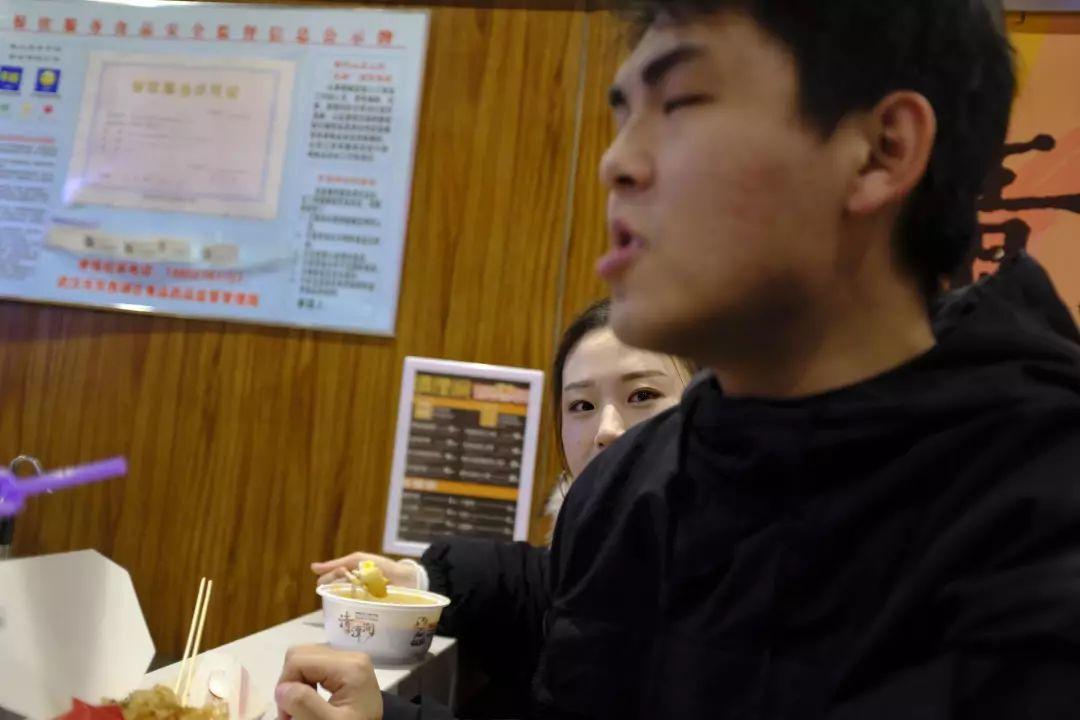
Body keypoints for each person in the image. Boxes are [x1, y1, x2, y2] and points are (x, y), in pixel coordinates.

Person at [278, 1, 1080, 717]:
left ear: (881, 150)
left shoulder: (1039, 513)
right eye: (625, 112)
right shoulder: (627, 492)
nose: (616, 162)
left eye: (683, 103)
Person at [301, 298, 694, 718]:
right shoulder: (608, 544)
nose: (607, 430)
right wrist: (418, 579)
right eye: (582, 405)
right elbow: (541, 582)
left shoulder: (727, 576)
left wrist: (382, 716)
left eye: (643, 395)